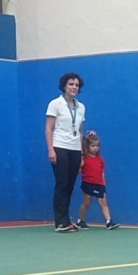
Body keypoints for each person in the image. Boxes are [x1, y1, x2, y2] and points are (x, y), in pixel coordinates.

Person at [45, 72, 86, 232]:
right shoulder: (55, 104)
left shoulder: (81, 107)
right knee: (62, 183)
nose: (74, 87)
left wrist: (82, 154)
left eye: (76, 85)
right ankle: (60, 222)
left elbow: (80, 130)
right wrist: (51, 149)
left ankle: (66, 220)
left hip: (75, 149)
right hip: (60, 147)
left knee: (70, 185)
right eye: (71, 84)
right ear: (64, 86)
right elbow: (48, 128)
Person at [76, 130, 120, 230]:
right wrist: (80, 164)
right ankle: (80, 221)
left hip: (99, 184)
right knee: (87, 202)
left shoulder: (99, 159)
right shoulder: (84, 158)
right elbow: (79, 170)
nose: (95, 148)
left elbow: (102, 172)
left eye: (97, 145)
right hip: (88, 183)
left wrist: (103, 184)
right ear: (87, 146)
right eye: (93, 145)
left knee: (103, 202)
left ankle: (109, 222)